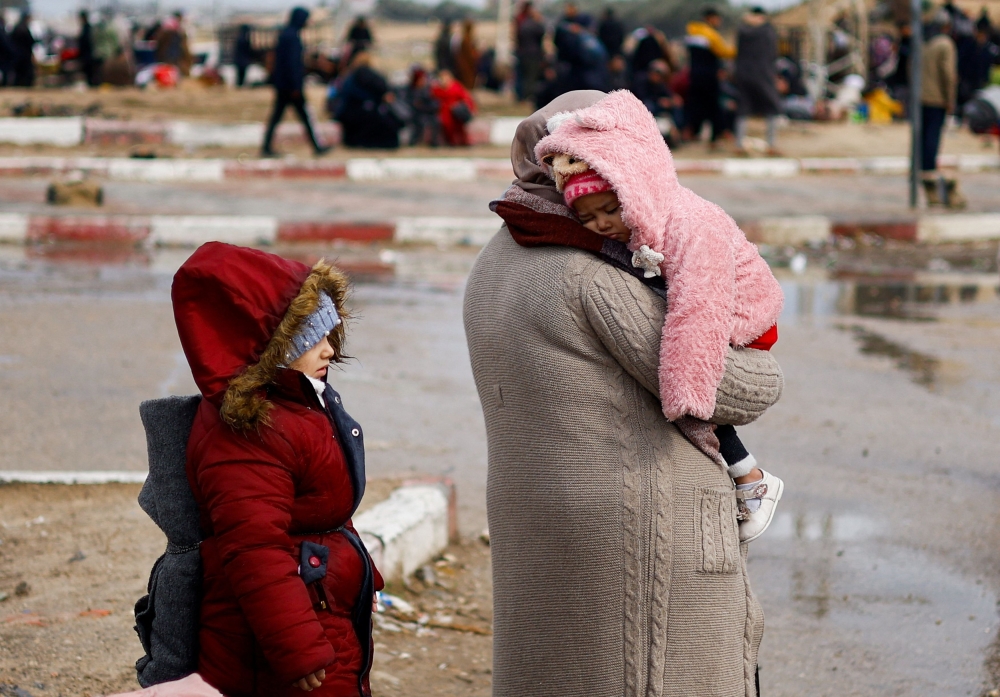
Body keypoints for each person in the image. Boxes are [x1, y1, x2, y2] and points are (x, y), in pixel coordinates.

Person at [469, 90, 784, 696]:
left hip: (540, 535)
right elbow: (738, 388)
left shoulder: (496, 258)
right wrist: (760, 362)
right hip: (637, 549)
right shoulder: (589, 276)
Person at [536, 89, 785, 541]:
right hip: (697, 300)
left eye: (611, 209)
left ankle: (753, 479)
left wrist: (685, 396)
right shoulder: (644, 222)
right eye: (588, 218)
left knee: (688, 388)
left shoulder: (693, 225)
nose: (603, 225)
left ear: (635, 186)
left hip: (742, 314)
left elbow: (700, 311)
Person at [171, 242, 384, 697]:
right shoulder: (250, 430)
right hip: (278, 638)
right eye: (313, 339)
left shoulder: (298, 404)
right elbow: (254, 550)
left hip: (318, 610)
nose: (329, 350)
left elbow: (321, 508)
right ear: (272, 349)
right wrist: (297, 647)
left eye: (330, 334)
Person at [262, 7, 330, 158]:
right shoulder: (292, 37)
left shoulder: (286, 34)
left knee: (280, 117)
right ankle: (317, 146)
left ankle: (266, 147)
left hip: (284, 85)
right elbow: (292, 64)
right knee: (302, 116)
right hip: (290, 86)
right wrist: (295, 86)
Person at [921, 9, 962, 207]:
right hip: (937, 97)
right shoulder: (946, 45)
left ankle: (924, 168)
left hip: (921, 97)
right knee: (933, 136)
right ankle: (929, 171)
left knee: (923, 134)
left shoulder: (926, 44)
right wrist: (950, 98)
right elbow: (948, 73)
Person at [684, 6, 736, 146]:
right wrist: (739, 50)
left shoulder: (692, 32)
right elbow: (723, 51)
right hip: (709, 76)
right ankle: (716, 137)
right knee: (714, 106)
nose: (719, 21)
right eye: (717, 18)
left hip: (694, 75)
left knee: (695, 105)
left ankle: (690, 132)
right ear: (710, 18)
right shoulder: (710, 34)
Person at [734, 7, 782, 156]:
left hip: (743, 75)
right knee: (772, 107)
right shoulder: (768, 31)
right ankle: (771, 145)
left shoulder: (742, 31)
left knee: (743, 108)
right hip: (763, 74)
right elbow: (773, 54)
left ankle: (739, 145)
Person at [334, 52, 401, 149]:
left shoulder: (351, 75)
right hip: (357, 112)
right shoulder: (363, 73)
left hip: (347, 113)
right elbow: (380, 86)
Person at [431, 68, 476, 146]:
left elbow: (466, 98)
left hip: (455, 111)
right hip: (444, 111)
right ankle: (451, 142)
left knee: (459, 127)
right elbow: (432, 97)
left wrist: (470, 108)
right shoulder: (437, 88)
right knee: (446, 125)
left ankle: (463, 142)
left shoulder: (456, 86)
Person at [514, 3, 546, 103]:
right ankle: (529, 97)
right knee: (531, 77)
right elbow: (542, 34)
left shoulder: (522, 24)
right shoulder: (536, 25)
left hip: (522, 53)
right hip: (533, 54)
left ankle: (522, 97)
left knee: (523, 77)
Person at [404, 66, 440, 146]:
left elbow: (433, 103)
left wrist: (424, 106)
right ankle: (414, 141)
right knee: (419, 122)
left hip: (428, 112)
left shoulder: (427, 90)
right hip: (415, 114)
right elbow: (410, 104)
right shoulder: (410, 90)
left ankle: (434, 142)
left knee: (435, 121)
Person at [10, 12, 35, 87]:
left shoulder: (17, 27)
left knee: (18, 74)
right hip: (25, 55)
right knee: (26, 73)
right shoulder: (24, 28)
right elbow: (30, 41)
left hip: (17, 54)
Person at [454, 19, 479, 90]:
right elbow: (470, 54)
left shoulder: (465, 39)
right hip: (466, 67)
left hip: (466, 66)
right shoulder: (466, 40)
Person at [77, 11, 99, 86]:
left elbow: (86, 41)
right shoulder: (87, 27)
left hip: (88, 54)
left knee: (90, 72)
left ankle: (92, 84)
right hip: (88, 53)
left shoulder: (87, 28)